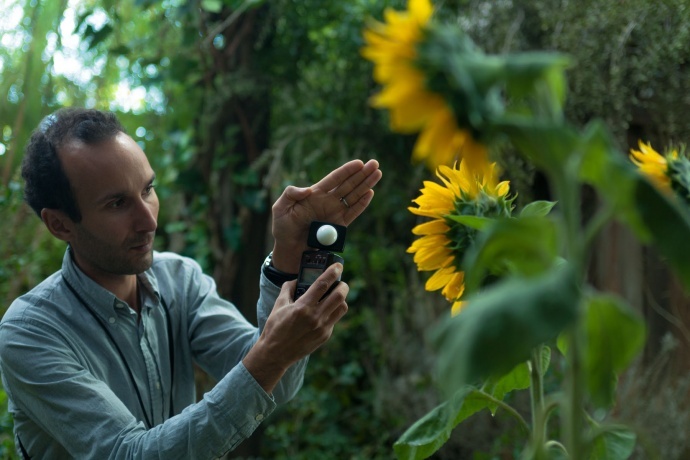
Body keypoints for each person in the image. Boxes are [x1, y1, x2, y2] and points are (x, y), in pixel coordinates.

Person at [0, 107, 382, 459]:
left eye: (148, 190)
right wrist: (272, 355)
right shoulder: (30, 332)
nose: (149, 220)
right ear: (60, 224)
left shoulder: (178, 280)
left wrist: (289, 260)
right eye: (117, 203)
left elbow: (276, 386)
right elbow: (129, 454)